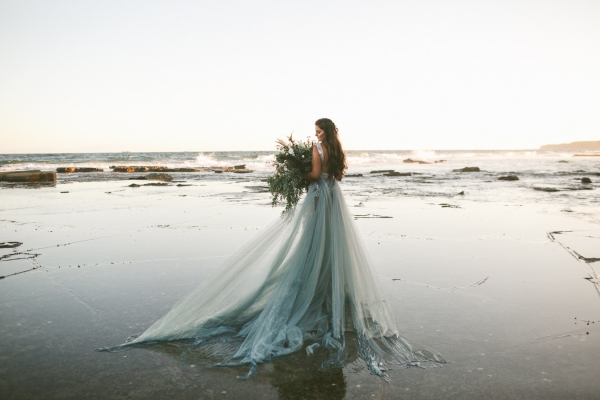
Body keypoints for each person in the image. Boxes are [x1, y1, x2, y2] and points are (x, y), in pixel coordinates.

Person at [97, 118, 444, 380]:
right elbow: (333, 176)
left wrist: (298, 171)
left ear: (324, 131)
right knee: (329, 247)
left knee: (311, 246)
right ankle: (327, 292)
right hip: (334, 200)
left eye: (318, 130)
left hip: (319, 198)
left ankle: (312, 289)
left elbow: (315, 175)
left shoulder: (318, 150)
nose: (316, 134)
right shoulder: (339, 150)